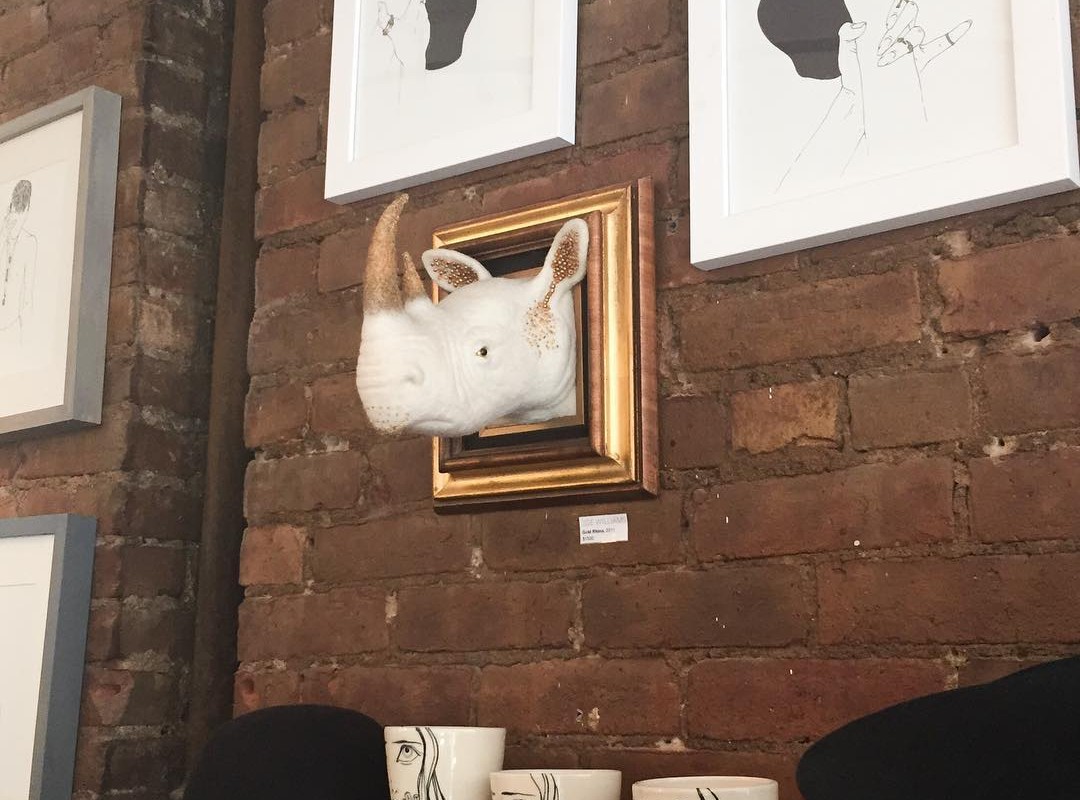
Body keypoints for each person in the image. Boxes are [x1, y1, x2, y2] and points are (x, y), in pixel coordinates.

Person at [0, 180, 36, 338]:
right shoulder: (2, 235)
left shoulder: (29, 243)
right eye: (13, 213)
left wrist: (26, 336)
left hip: (12, 327)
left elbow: (27, 296)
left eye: (19, 216)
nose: (15, 222)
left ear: (27, 212)